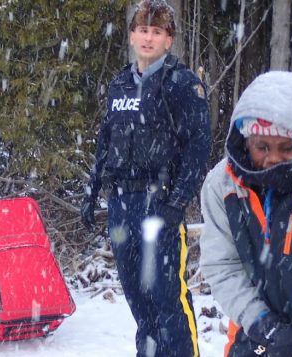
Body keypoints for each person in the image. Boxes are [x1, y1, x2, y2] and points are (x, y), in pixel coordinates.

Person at [80, 1, 211, 356]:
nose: (148, 37)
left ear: (168, 40)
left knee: (169, 300)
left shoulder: (182, 84)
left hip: (160, 201)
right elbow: (106, 139)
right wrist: (92, 191)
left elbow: (199, 149)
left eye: (156, 31)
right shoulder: (120, 83)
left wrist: (177, 202)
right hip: (122, 204)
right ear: (132, 35)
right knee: (139, 301)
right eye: (142, 30)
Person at [200, 71, 292, 357]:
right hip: (252, 340)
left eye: (286, 147)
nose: (273, 158)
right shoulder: (222, 185)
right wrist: (261, 323)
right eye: (262, 147)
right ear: (246, 141)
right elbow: (222, 265)